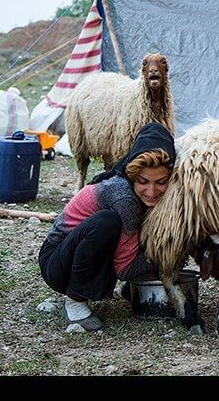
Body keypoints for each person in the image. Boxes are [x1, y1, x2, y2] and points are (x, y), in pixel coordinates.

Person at [38, 122, 176, 331]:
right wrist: (168, 254)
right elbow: (124, 268)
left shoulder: (141, 194)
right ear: (132, 174)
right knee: (108, 222)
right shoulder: (123, 197)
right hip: (57, 264)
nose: (151, 190)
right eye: (143, 181)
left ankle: (134, 290)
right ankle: (74, 302)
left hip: (75, 255)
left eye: (161, 182)